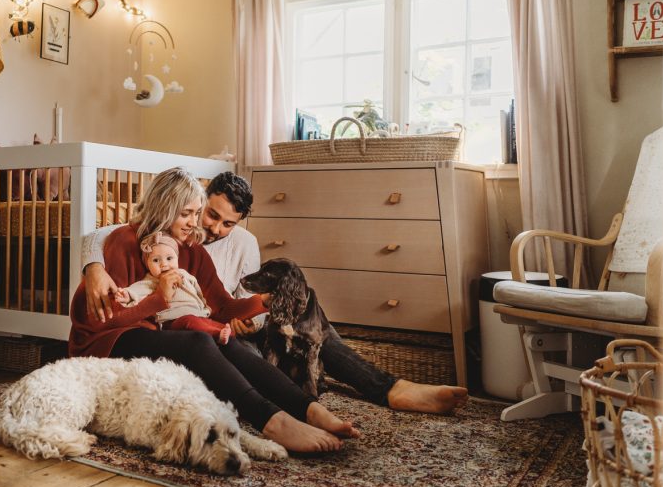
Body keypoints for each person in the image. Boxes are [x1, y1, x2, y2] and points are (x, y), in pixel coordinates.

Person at [82, 171, 469, 415]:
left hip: (240, 325)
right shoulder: (164, 238)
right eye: (208, 215)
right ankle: (306, 403)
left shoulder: (237, 245)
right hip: (198, 330)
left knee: (305, 305)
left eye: (226, 222)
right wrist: (93, 265)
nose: (213, 227)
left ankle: (388, 389)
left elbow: (231, 301)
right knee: (241, 351)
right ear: (196, 203)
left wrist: (267, 306)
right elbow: (106, 237)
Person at [69, 167, 359, 454]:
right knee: (199, 340)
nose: (192, 222)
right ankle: (272, 422)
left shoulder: (191, 250)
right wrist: (158, 299)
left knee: (224, 339)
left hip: (152, 333)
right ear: (164, 208)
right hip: (107, 339)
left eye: (196, 213)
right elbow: (104, 319)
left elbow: (222, 307)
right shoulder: (125, 241)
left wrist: (264, 302)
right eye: (185, 213)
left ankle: (307, 409)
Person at [115, 231, 238, 345]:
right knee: (190, 322)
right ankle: (217, 335)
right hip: (173, 321)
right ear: (147, 264)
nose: (164, 264)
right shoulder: (152, 281)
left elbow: (197, 291)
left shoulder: (184, 274)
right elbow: (137, 290)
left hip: (199, 314)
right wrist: (126, 294)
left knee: (213, 324)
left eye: (169, 258)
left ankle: (228, 334)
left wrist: (204, 306)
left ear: (177, 259)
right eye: (156, 260)